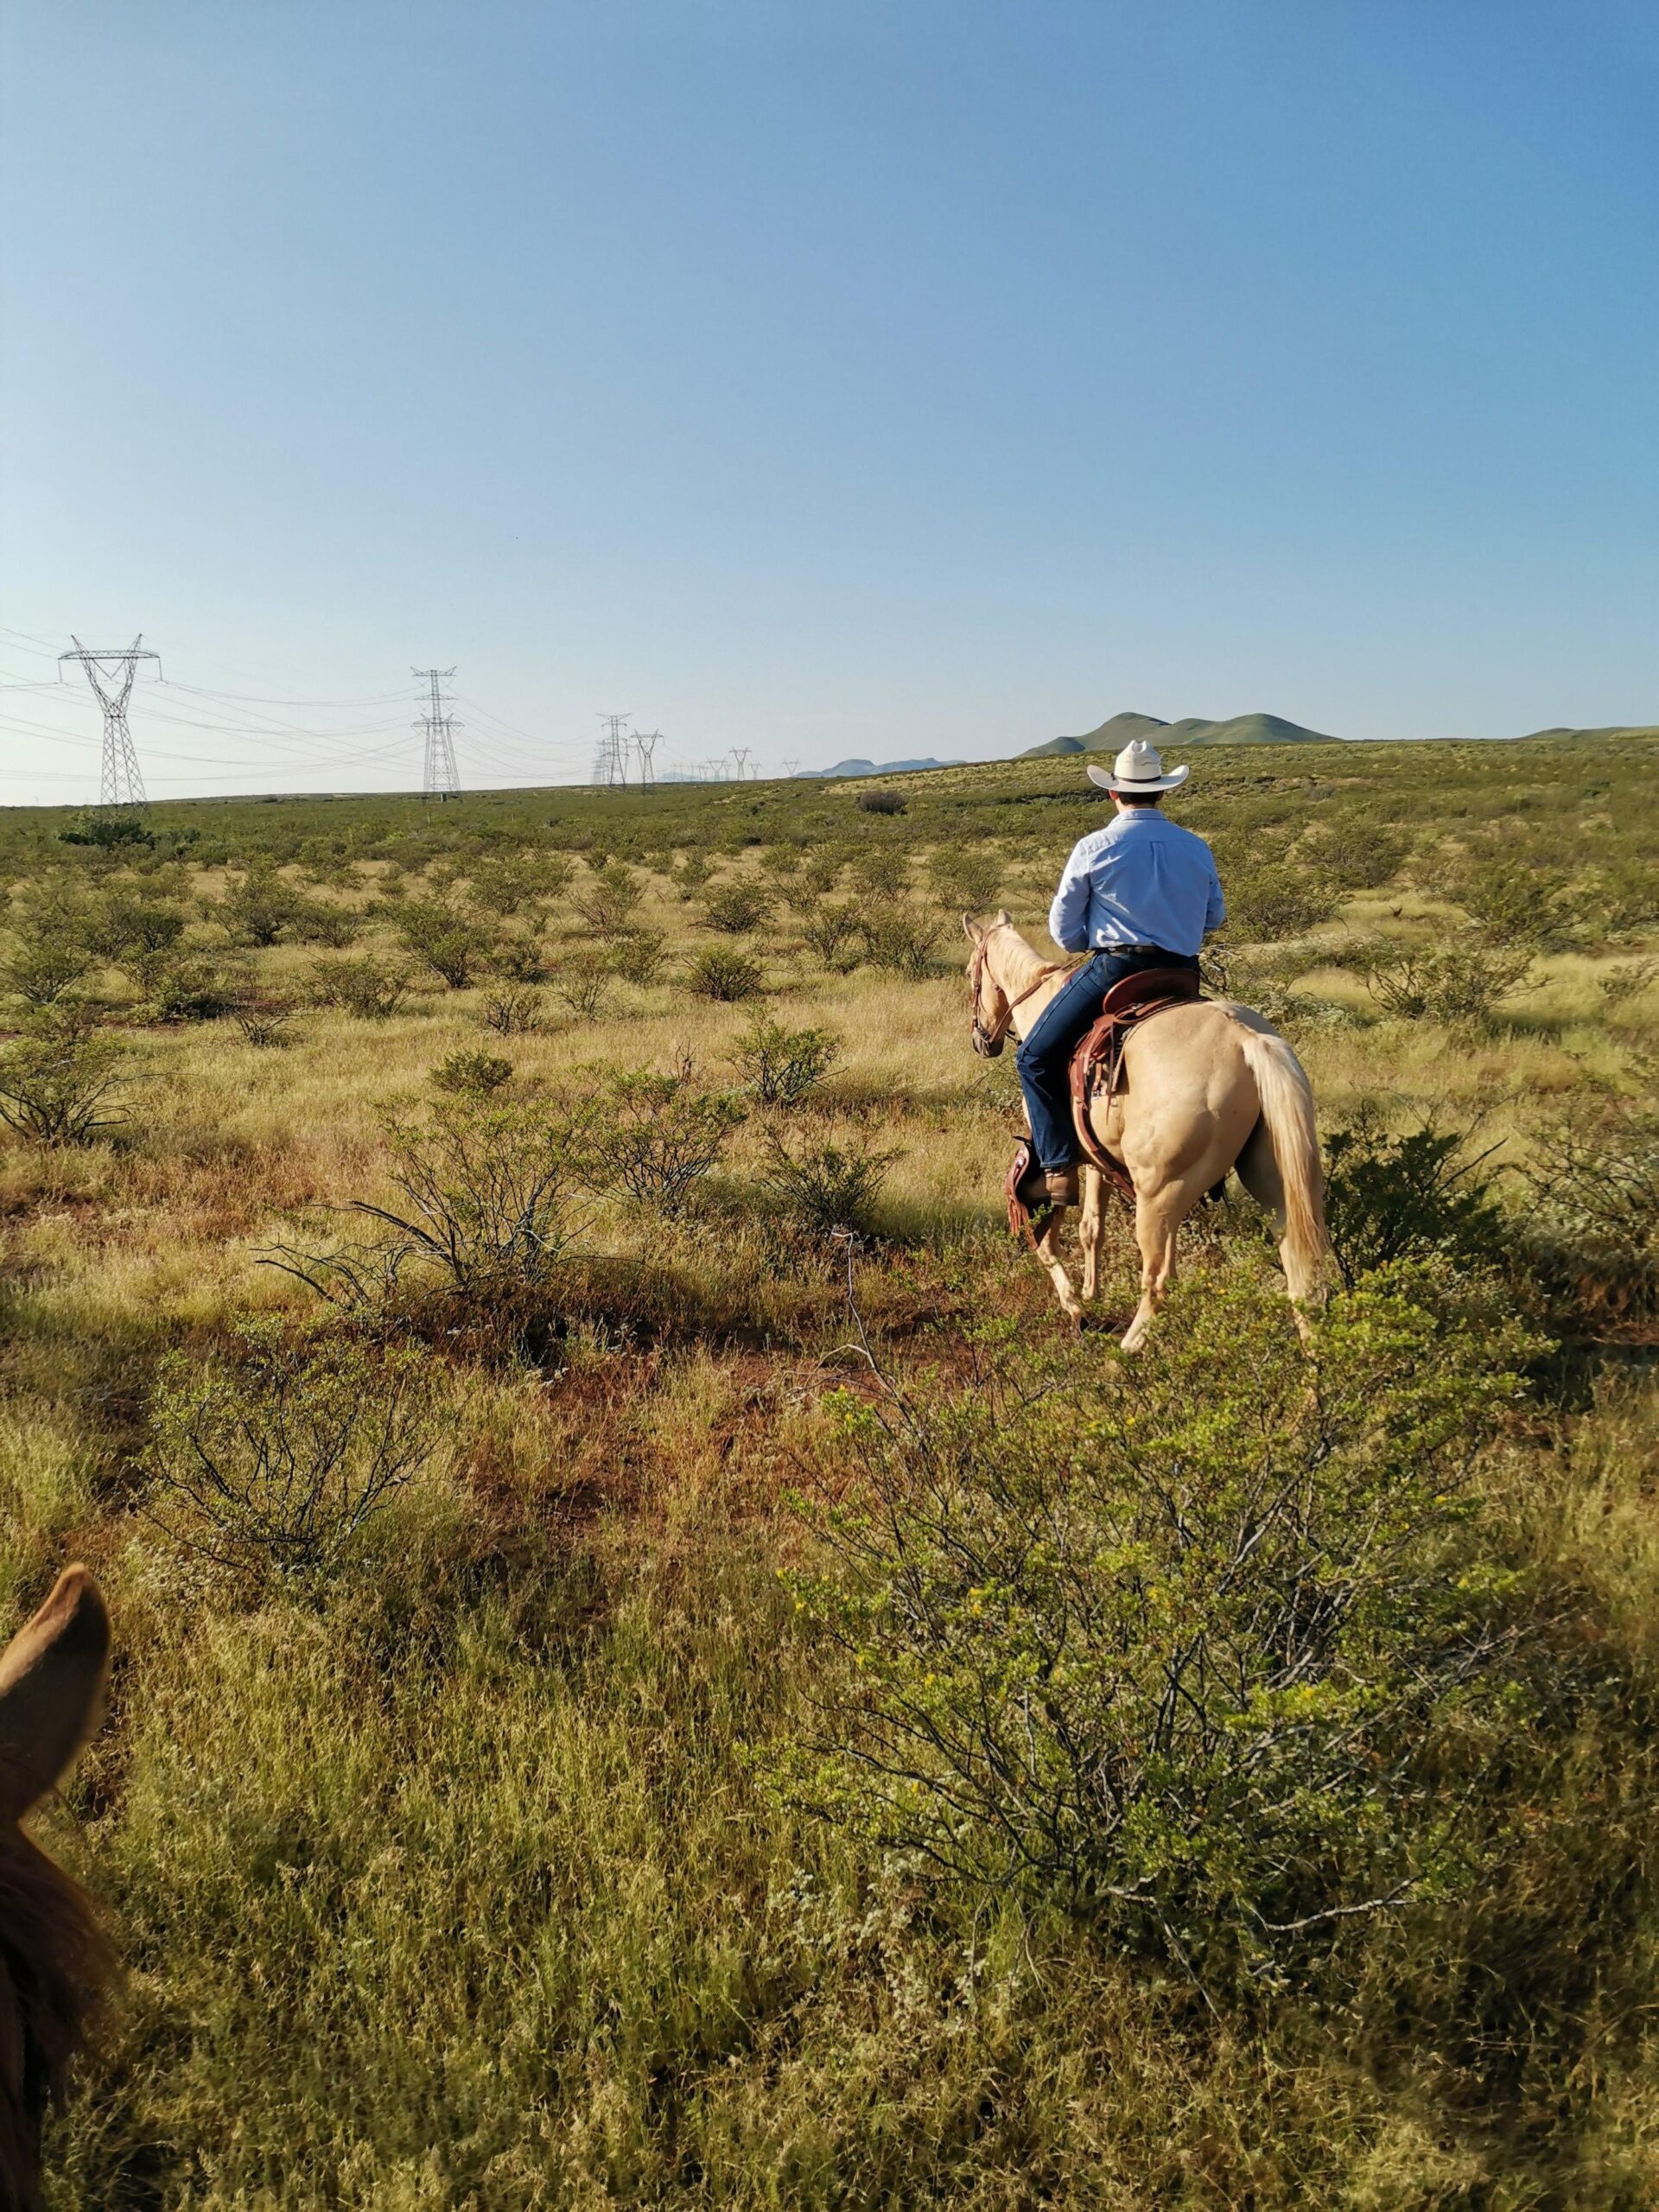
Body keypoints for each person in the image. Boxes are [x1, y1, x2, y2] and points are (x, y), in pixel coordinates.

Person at [1014, 738, 1225, 1207]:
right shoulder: (1195, 847)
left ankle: (1058, 1169)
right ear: (1163, 792)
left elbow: (1064, 929)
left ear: (1113, 793)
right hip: (1182, 974)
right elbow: (1213, 918)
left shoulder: (1095, 846)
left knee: (1034, 1057)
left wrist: (1086, 940)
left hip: (1118, 969)